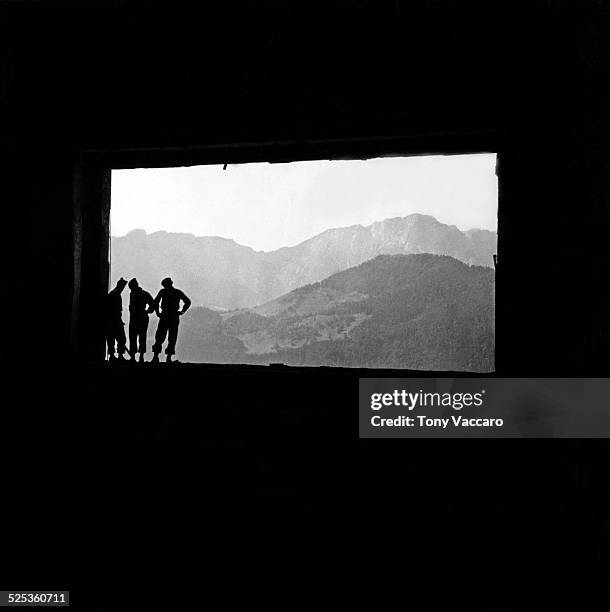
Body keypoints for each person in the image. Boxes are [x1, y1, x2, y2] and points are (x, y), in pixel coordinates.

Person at [151, 277, 191, 363]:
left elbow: (156, 302)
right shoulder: (177, 292)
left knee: (160, 337)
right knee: (171, 338)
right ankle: (167, 357)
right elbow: (188, 302)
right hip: (173, 316)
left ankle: (156, 357)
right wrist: (182, 311)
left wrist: (158, 313)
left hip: (165, 316)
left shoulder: (163, 292)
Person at [127, 278, 155, 363]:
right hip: (139, 318)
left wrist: (148, 311)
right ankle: (138, 356)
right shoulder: (136, 293)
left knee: (136, 337)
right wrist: (148, 311)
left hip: (138, 318)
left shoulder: (140, 294)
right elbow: (152, 305)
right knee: (138, 337)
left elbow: (152, 305)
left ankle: (137, 356)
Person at [105, 277, 128, 361]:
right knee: (113, 339)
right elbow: (111, 310)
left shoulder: (116, 295)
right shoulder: (113, 295)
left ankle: (119, 355)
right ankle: (113, 356)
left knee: (121, 338)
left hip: (116, 320)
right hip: (112, 321)